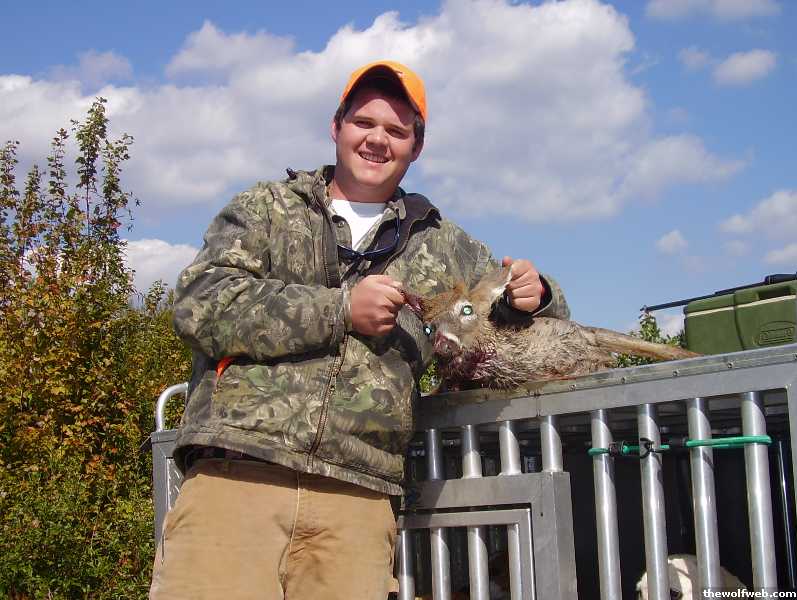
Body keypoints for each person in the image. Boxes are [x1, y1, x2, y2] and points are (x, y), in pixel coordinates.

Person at [150, 60, 569, 600]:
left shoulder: (445, 245)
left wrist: (538, 294)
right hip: (236, 477)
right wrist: (341, 309)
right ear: (336, 127)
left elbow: (544, 321)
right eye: (364, 123)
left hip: (358, 501)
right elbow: (199, 305)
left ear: (416, 147)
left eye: (396, 130)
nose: (377, 139)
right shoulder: (267, 210)